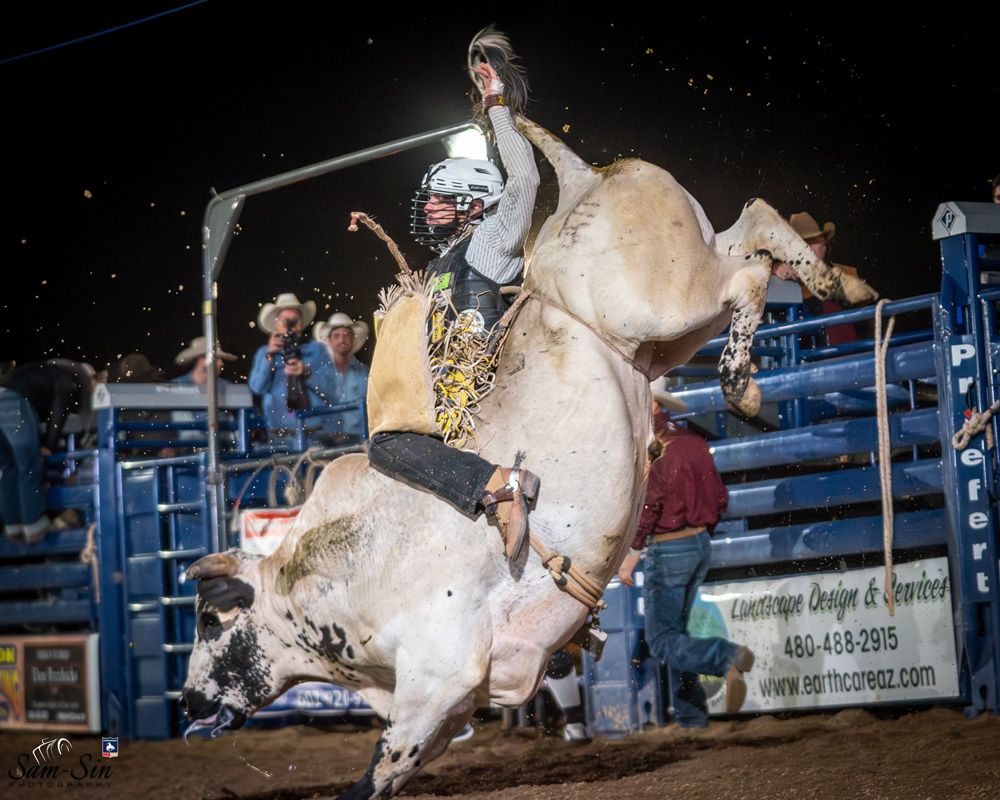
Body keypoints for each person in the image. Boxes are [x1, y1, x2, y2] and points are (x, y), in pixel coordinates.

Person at [367, 60, 541, 561]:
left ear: (473, 203)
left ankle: (499, 484)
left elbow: (524, 180)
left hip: (470, 386)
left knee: (386, 445)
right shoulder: (446, 256)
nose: (427, 208)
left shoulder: (489, 241)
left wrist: (497, 108)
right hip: (445, 384)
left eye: (440, 199)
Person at [618, 389, 754, 727]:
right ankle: (691, 716)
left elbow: (650, 504)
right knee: (676, 633)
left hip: (669, 546)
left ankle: (725, 658)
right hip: (698, 544)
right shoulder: (693, 441)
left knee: (662, 641)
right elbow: (719, 498)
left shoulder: (654, 447)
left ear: (650, 405)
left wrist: (632, 552)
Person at [0, 360, 98, 543]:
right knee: (28, 464)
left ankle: (12, 523)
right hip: (13, 403)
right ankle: (33, 522)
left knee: (9, 466)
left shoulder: (40, 372)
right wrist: (50, 445)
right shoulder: (66, 380)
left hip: (4, 394)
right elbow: (59, 411)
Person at [248, 293, 336, 448]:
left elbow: (331, 387)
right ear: (276, 324)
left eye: (294, 321)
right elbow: (256, 388)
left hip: (313, 436)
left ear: (301, 324)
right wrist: (269, 356)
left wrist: (306, 372)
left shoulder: (317, 351)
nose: (290, 326)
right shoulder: (265, 353)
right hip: (278, 437)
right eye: (285, 321)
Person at [773, 211, 868, 346]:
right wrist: (774, 268)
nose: (807, 249)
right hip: (805, 363)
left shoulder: (848, 274)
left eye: (812, 241)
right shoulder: (782, 276)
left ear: (824, 244)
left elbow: (870, 321)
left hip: (849, 358)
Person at [167, 337, 237, 449]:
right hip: (189, 452)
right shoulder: (177, 386)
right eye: (217, 358)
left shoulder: (226, 386)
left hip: (223, 449)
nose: (221, 363)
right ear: (202, 359)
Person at [313, 312, 370, 443]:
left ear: (353, 339)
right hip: (325, 441)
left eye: (346, 335)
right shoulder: (319, 374)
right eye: (336, 336)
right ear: (329, 341)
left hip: (360, 439)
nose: (342, 340)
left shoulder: (365, 373)